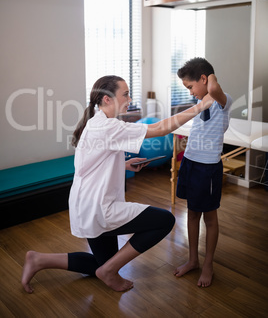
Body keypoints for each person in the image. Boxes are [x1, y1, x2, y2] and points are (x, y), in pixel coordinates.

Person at [22, 75, 213, 294]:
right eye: (125, 94)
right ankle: (111, 271)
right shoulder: (108, 127)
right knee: (164, 221)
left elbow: (90, 164)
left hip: (85, 204)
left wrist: (123, 165)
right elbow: (160, 128)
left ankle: (38, 260)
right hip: (100, 208)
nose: (130, 99)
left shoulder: (96, 122)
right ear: (107, 99)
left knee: (100, 266)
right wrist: (200, 106)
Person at [174, 57, 232, 288]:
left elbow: (215, 88)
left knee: (209, 217)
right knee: (191, 212)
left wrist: (211, 78)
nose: (190, 92)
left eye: (190, 87)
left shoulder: (222, 101)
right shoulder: (201, 103)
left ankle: (208, 264)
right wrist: (201, 90)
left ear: (204, 79)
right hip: (190, 162)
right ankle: (193, 260)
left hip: (208, 168)